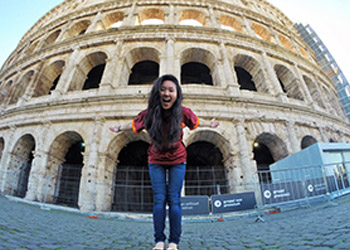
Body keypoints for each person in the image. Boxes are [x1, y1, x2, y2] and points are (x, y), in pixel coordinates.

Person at [109, 74, 219, 250]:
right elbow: (132, 124)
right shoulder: (149, 114)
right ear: (157, 93)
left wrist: (210, 124)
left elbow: (197, 121)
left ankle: (174, 242)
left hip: (178, 160)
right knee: (159, 200)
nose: (166, 93)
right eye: (163, 89)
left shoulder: (183, 112)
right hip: (156, 160)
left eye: (171, 90)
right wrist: (117, 128)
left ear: (176, 94)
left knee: (174, 200)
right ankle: (159, 241)